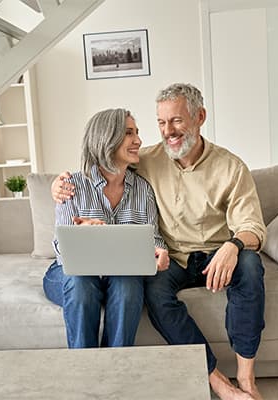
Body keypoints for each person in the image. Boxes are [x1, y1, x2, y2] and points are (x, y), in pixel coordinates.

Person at [53, 84, 266, 400]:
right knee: (136, 287)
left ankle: (246, 379)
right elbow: (103, 162)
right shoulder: (136, 163)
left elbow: (252, 227)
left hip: (215, 255)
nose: (168, 132)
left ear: (200, 117)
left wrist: (232, 246)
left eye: (177, 121)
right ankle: (214, 380)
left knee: (249, 264)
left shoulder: (229, 168)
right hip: (171, 261)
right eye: (162, 123)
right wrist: (58, 189)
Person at [43, 108, 169, 349]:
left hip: (120, 274)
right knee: (81, 284)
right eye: (129, 133)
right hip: (71, 274)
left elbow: (154, 239)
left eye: (137, 133)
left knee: (129, 285)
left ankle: (115, 370)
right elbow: (62, 251)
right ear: (107, 138)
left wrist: (159, 254)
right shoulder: (72, 185)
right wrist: (82, 235)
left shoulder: (143, 189)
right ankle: (85, 369)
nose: (138, 141)